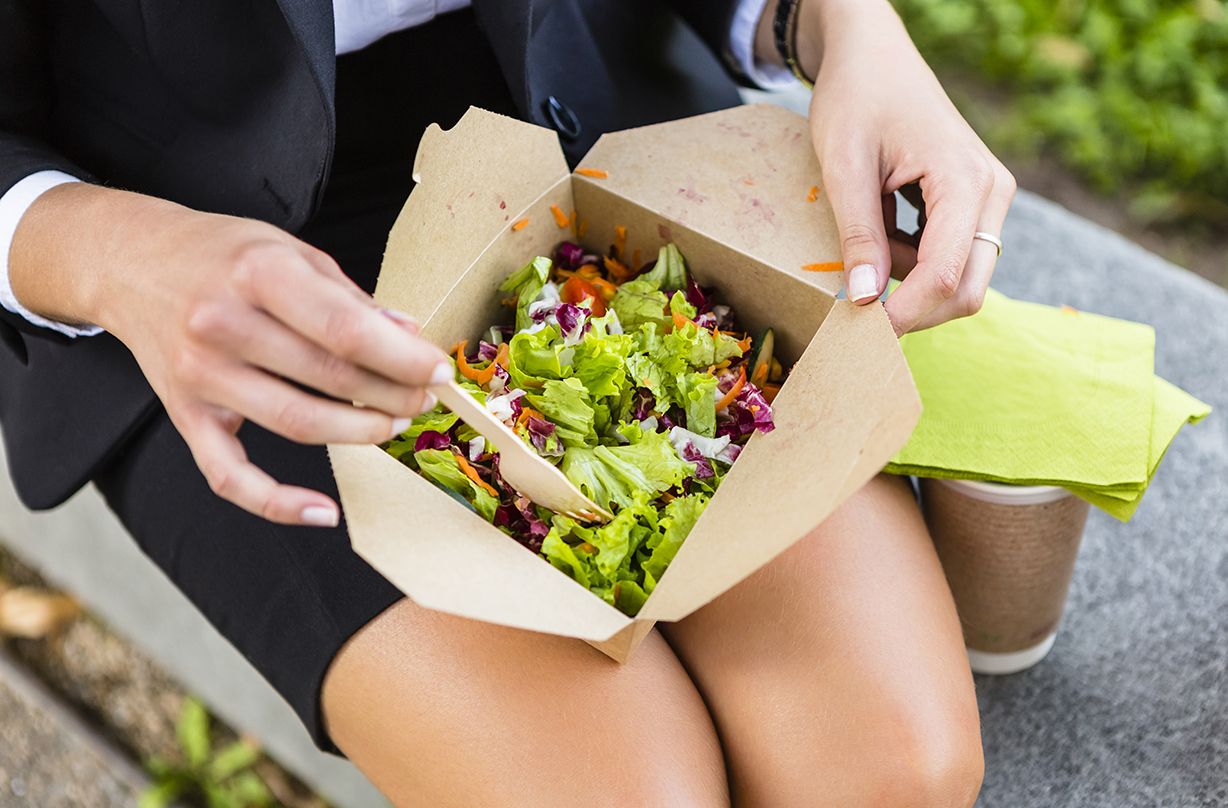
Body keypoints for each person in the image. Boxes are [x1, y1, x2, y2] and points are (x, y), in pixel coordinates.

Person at [0, 0, 1013, 803]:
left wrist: (842, 25)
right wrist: (115, 258)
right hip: (190, 250)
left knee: (888, 772)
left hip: (583, 123)